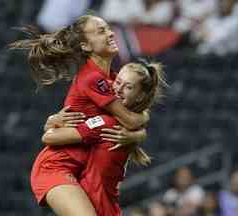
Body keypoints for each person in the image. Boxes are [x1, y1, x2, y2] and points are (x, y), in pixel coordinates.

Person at [9, 14, 150, 216]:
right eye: (101, 31)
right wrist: (140, 127)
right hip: (56, 167)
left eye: (108, 28)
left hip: (81, 171)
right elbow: (128, 119)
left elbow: (130, 120)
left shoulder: (111, 79)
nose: (110, 33)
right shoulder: (93, 78)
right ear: (85, 46)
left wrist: (137, 134)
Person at [42, 61, 167, 215]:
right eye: (118, 82)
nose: (118, 89)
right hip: (95, 199)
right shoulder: (121, 119)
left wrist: (51, 125)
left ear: (140, 96)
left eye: (128, 87)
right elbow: (140, 118)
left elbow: (49, 137)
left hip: (100, 201)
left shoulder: (110, 122)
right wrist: (53, 119)